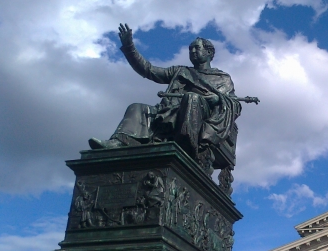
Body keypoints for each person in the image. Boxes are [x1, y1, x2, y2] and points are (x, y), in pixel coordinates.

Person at [89, 24, 258, 170]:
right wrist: (129, 47)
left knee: (191, 98)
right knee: (137, 108)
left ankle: (186, 148)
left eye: (196, 48)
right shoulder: (180, 71)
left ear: (209, 52)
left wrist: (218, 100)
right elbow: (148, 70)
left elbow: (234, 104)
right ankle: (119, 142)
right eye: (190, 49)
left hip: (201, 117)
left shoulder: (223, 78)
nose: (192, 51)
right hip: (172, 112)